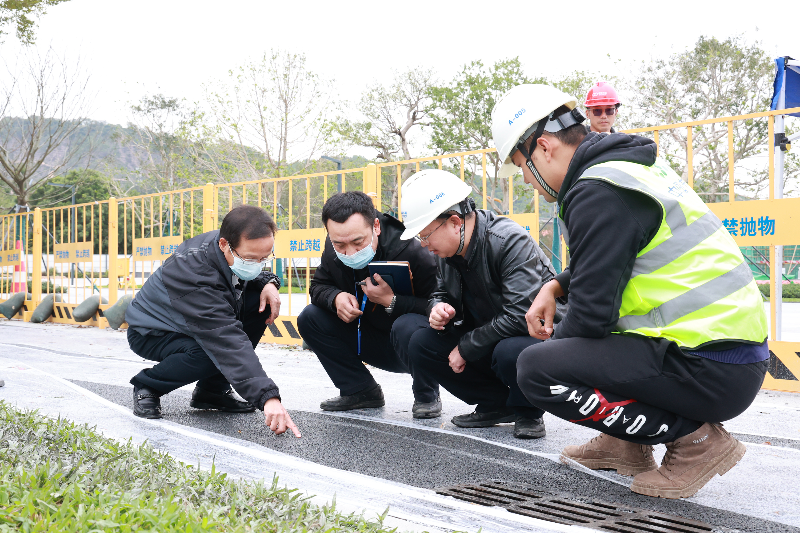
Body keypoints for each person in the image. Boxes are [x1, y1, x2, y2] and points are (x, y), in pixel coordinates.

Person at [490, 83, 768, 497]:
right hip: (726, 353)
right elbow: (620, 255)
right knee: (572, 355)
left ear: (544, 147)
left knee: (536, 368)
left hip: (709, 366)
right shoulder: (625, 169)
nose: (530, 183)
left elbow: (590, 318)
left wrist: (558, 357)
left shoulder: (597, 191)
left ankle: (696, 443)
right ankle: (627, 441)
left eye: (523, 168)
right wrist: (555, 284)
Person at [392, 169, 561, 439]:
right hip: (487, 336)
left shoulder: (508, 241)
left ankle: (527, 411)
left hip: (532, 336)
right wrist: (437, 307)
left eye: (426, 236)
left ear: (455, 222)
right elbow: (439, 290)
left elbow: (521, 314)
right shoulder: (446, 250)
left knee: (511, 350)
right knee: (418, 339)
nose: (424, 245)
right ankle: (496, 404)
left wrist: (466, 347)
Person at [125, 204, 300, 438]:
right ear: (224, 244)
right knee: (209, 352)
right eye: (250, 259)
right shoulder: (195, 275)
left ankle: (212, 390)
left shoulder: (228, 244)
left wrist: (267, 282)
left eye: (264, 258)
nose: (257, 265)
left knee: (259, 303)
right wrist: (268, 397)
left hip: (190, 323)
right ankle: (148, 385)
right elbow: (226, 339)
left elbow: (250, 271)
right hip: (153, 331)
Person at [297, 191, 440, 418]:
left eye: (357, 242)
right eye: (339, 244)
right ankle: (360, 390)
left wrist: (393, 301)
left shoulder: (412, 250)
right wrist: (335, 298)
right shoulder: (334, 243)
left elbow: (440, 306)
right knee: (310, 317)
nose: (349, 252)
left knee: (406, 325)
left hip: (412, 346)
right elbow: (318, 287)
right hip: (367, 338)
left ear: (376, 226)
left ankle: (427, 394)